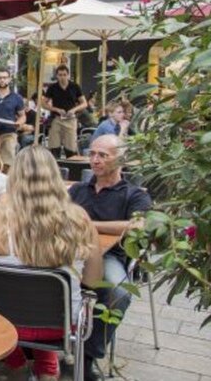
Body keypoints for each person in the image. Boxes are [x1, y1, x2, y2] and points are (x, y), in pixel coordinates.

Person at [0, 145, 103, 381]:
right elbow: (93, 280)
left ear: (15, 177)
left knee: (5, 295)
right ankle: (46, 366)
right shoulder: (80, 218)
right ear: (55, 176)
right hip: (61, 325)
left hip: (5, 323)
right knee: (43, 297)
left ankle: (17, 364)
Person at [68, 134, 153, 381]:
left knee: (119, 292)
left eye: (102, 155)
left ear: (121, 159)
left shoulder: (133, 194)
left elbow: (139, 226)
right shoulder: (78, 189)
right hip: (70, 255)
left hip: (109, 257)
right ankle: (40, 348)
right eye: (92, 154)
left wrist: (91, 224)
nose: (95, 160)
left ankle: (88, 355)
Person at [43, 65, 87, 157]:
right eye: (60, 75)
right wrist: (56, 109)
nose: (62, 77)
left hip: (70, 119)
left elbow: (84, 103)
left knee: (71, 147)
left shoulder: (75, 86)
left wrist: (74, 109)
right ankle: (55, 167)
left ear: (68, 75)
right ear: (57, 76)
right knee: (54, 147)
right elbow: (43, 103)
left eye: (64, 75)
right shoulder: (52, 87)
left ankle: (71, 167)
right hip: (56, 119)